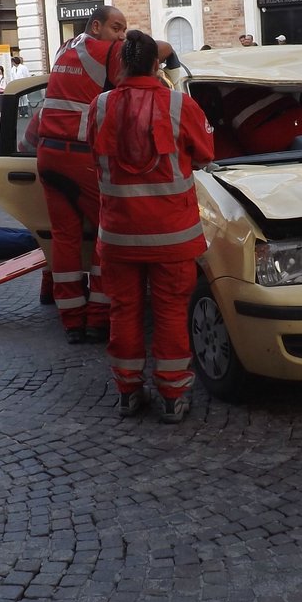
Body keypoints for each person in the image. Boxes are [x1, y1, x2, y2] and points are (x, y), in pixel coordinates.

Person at [88, 30, 215, 422]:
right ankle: (174, 394)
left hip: (119, 236)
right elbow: (207, 155)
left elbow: (91, 154)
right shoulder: (180, 105)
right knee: (171, 312)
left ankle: (128, 391)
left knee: (124, 311)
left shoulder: (100, 106)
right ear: (156, 65)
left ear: (122, 64)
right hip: (172, 236)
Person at [31, 5, 128, 344]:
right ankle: (99, 317)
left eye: (124, 31)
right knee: (108, 231)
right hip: (80, 157)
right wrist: (171, 52)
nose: (121, 36)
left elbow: (51, 102)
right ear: (97, 25)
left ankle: (71, 320)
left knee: (65, 239)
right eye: (116, 28)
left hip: (48, 156)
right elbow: (146, 56)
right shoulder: (106, 50)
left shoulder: (64, 49)